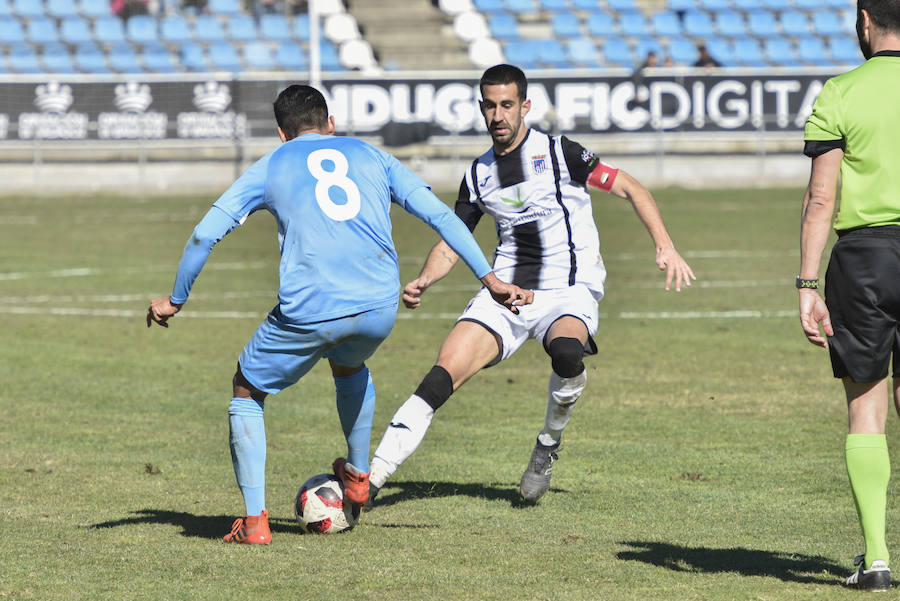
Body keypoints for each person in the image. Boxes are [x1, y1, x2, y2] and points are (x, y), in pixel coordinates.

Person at [146, 84, 532, 544]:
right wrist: (490, 280)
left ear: (281, 134)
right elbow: (443, 218)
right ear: (330, 124)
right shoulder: (371, 155)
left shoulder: (271, 164)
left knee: (246, 391)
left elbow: (203, 236)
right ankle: (357, 475)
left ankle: (253, 524)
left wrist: (176, 299)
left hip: (312, 308)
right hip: (378, 307)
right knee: (349, 362)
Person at [365, 64, 695, 508]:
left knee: (565, 354)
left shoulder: (562, 153)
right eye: (489, 106)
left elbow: (631, 187)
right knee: (441, 375)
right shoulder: (478, 174)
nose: (498, 115)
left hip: (568, 291)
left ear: (525, 106)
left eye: (506, 105)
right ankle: (371, 482)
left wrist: (666, 246)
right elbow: (453, 241)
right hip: (506, 293)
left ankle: (548, 443)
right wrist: (426, 278)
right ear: (481, 108)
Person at [799, 0, 900, 591]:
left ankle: (878, 558)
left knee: (867, 410)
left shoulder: (839, 91)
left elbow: (820, 198)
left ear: (864, 21)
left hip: (865, 262)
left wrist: (808, 285)